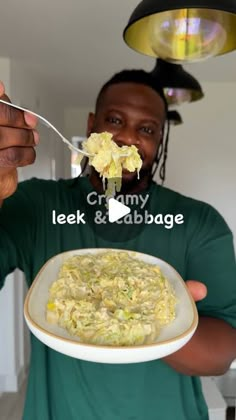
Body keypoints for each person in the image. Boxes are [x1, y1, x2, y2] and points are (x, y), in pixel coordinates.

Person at [0, 70, 235, 420]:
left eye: (147, 129)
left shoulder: (200, 223)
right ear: (92, 125)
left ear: (160, 140)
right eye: (114, 120)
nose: (127, 138)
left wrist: (157, 321)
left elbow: (221, 354)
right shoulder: (36, 206)